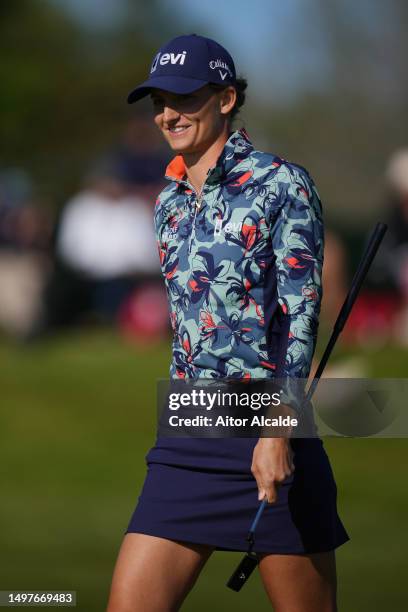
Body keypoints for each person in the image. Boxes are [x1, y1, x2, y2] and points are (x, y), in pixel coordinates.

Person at [107, 34, 349, 612]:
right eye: (159, 100)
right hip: (187, 432)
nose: (169, 113)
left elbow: (300, 314)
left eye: (186, 98)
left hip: (270, 431)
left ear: (227, 98)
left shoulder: (281, 183)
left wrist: (276, 430)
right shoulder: (166, 202)